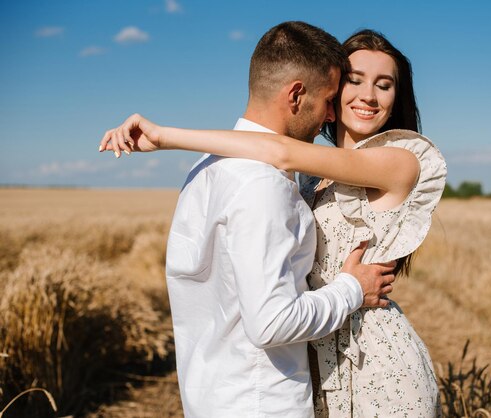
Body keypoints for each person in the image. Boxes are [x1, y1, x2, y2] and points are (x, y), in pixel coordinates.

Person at [101, 29, 446, 417]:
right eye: (352, 82)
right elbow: (272, 149)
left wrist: (164, 135)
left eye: (384, 85)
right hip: (318, 362)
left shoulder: (400, 160)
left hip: (375, 362)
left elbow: (276, 150)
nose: (368, 95)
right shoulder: (306, 176)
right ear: (302, 94)